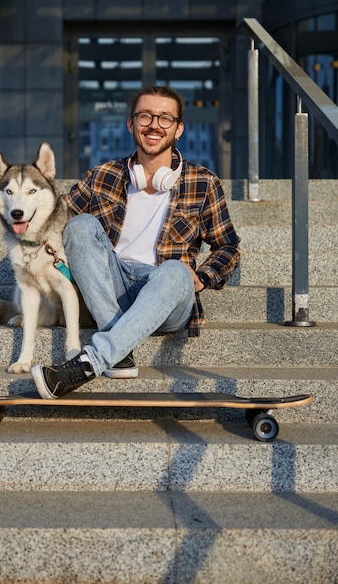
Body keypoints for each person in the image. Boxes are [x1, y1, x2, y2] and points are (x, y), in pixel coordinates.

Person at [31, 85, 240, 398]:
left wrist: (202, 276)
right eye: (145, 116)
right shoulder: (102, 174)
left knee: (175, 270)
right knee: (80, 226)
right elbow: (56, 216)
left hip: (165, 295)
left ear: (178, 129)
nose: (154, 125)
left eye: (165, 118)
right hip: (110, 289)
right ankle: (119, 353)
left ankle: (94, 359)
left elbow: (228, 246)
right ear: (131, 124)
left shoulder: (204, 182)